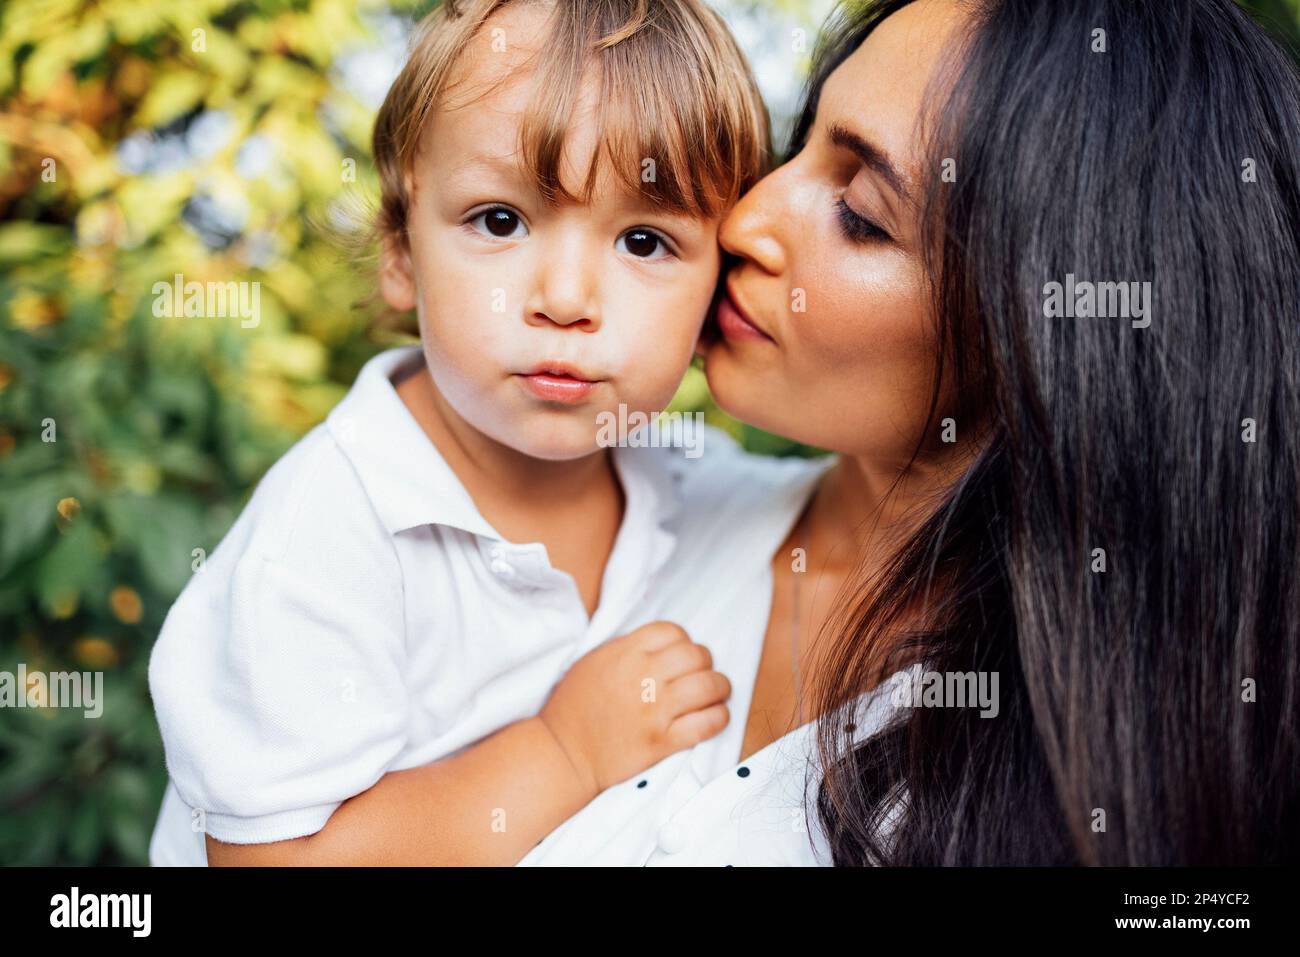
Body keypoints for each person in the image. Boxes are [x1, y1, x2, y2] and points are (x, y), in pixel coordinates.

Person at [524, 0, 1300, 866]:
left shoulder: (1103, 799)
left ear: (1051, 335)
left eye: (859, 212)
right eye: (799, 144)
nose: (741, 222)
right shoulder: (606, 517)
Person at [146, 0, 792, 866]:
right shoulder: (330, 539)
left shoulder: (678, 476)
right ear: (401, 251)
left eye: (644, 240)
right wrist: (564, 750)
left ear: (719, 284)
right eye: (500, 220)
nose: (566, 298)